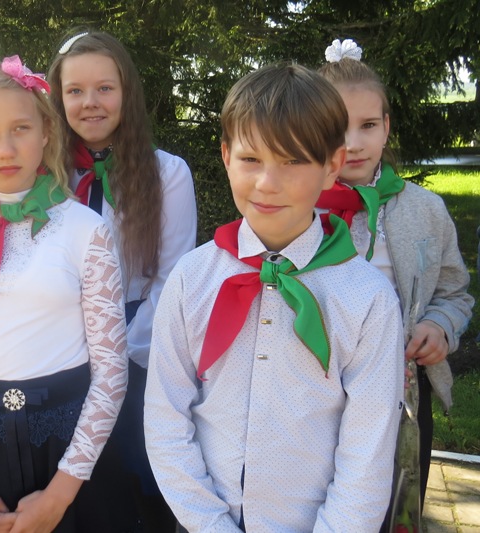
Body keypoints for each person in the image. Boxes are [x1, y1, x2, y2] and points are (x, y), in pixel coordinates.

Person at [144, 64, 405, 532]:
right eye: (251, 159)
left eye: (293, 161)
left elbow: (368, 448)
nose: (267, 182)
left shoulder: (368, 298)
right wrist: (211, 525)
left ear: (332, 165)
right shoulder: (191, 280)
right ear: (226, 156)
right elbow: (166, 417)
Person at [0, 54, 129, 533]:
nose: (6, 148)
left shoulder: (85, 229)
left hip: (70, 449)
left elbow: (111, 371)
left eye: (20, 128)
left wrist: (61, 492)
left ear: (47, 132)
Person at [47, 30, 197, 531]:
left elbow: (172, 276)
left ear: (126, 92)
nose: (90, 102)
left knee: (138, 472)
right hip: (62, 343)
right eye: (75, 90)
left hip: (136, 341)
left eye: (104, 88)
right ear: (58, 98)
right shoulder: (44, 176)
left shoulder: (167, 173)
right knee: (78, 478)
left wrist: (117, 356)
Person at [317, 39, 474, 502]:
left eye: (368, 125)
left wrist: (439, 325)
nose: (353, 143)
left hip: (402, 395)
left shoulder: (425, 210)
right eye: (336, 128)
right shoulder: (295, 209)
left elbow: (455, 292)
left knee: (395, 504)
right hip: (315, 395)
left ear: (386, 126)